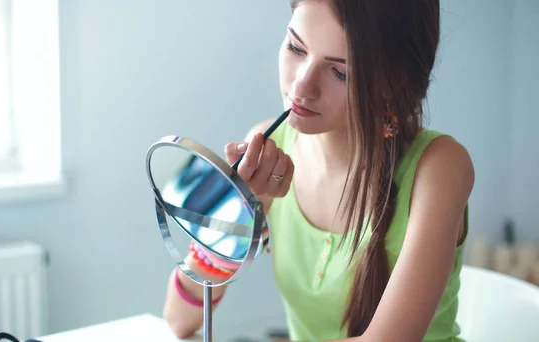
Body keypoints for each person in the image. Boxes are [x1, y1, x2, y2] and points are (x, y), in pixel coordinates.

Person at [163, 0, 475, 341]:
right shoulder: (273, 148)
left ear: (393, 82)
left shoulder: (440, 167)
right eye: (296, 47)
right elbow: (180, 318)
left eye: (340, 72)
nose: (301, 87)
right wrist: (241, 210)